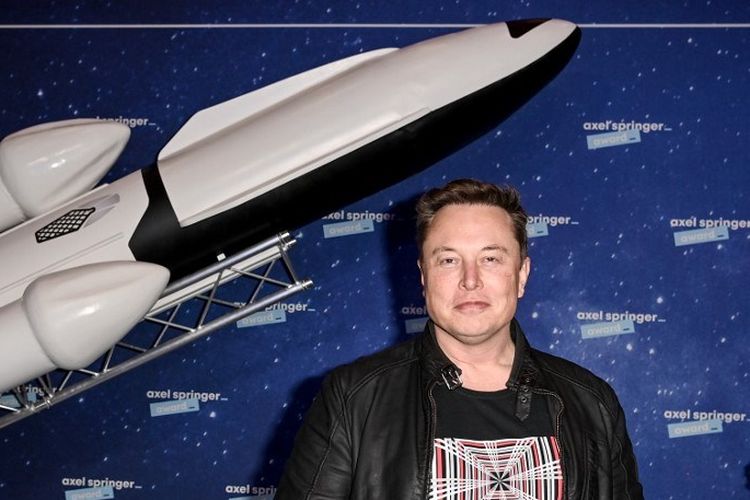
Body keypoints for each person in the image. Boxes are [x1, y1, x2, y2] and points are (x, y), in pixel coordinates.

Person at [276, 179, 643, 499]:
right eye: (449, 260)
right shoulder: (353, 397)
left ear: (522, 275)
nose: (470, 280)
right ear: (424, 276)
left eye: (491, 259)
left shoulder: (592, 403)